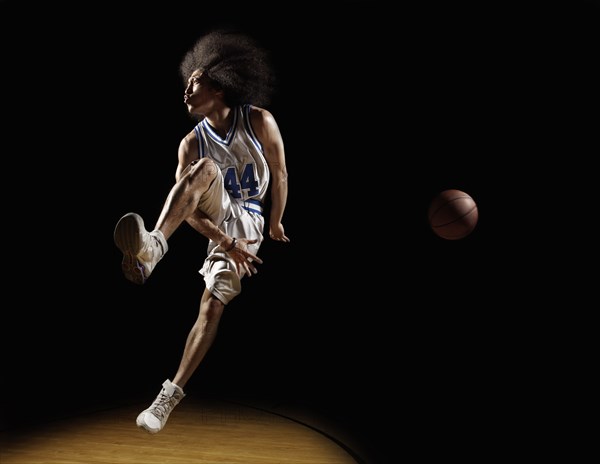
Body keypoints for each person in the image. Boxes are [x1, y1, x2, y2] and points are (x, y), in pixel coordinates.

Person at [113, 29, 290, 434]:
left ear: (220, 83)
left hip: (247, 217)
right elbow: (189, 213)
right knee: (205, 171)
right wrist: (223, 240)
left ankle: (167, 398)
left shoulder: (259, 120)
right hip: (216, 219)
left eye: (195, 81)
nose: (187, 89)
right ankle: (153, 246)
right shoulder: (190, 145)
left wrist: (276, 220)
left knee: (211, 307)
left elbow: (279, 173)